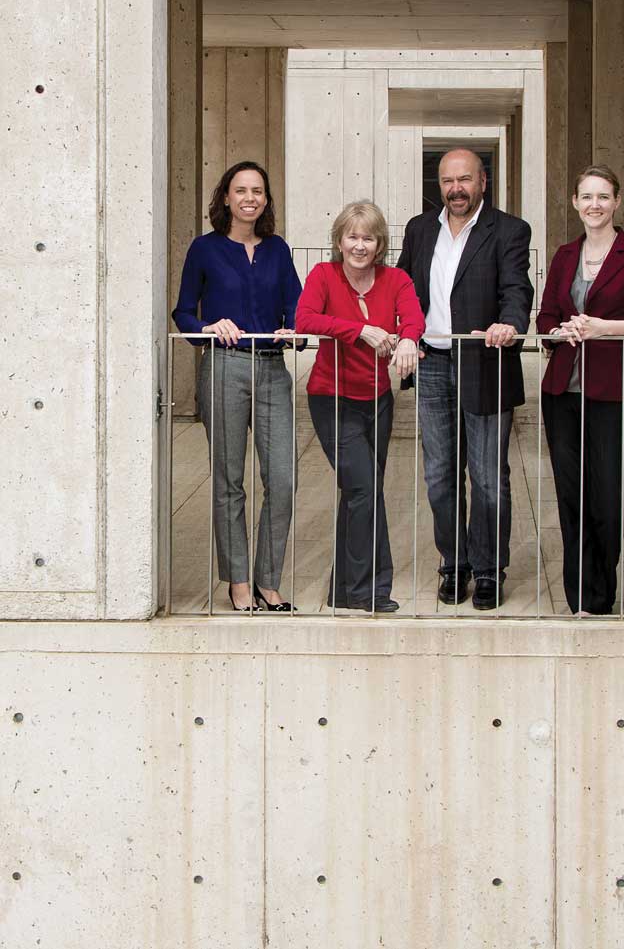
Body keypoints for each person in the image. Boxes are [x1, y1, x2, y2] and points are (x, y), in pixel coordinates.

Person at [536, 164, 624, 616]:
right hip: (562, 392)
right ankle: (581, 599)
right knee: (571, 495)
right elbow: (544, 321)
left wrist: (604, 328)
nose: (594, 205)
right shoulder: (563, 255)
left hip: (611, 392)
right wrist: (562, 330)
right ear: (575, 203)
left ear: (616, 202)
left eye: (603, 197)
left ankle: (602, 591)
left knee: (609, 499)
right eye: (586, 197)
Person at [397, 149, 534, 609]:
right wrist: (401, 334)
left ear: (483, 181)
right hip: (432, 362)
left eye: (465, 180)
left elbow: (517, 288)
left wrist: (510, 323)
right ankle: (454, 565)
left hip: (485, 361)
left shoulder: (509, 230)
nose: (456, 189)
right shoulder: (420, 229)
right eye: (447, 181)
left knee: (489, 477)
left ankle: (489, 570)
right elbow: (403, 288)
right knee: (439, 475)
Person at [173, 160, 302, 613]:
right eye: (241, 189)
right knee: (229, 482)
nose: (250, 198)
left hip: (271, 368)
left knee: (283, 479)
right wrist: (209, 326)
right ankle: (240, 582)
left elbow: (298, 309)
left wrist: (294, 331)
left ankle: (270, 578)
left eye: (258, 191)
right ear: (225, 197)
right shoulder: (204, 249)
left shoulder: (278, 249)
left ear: (266, 200)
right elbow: (184, 313)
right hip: (223, 368)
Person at [296, 200, 425, 613]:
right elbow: (305, 319)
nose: (359, 245)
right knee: (364, 489)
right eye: (352, 236)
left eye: (368, 237)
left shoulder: (397, 279)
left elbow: (414, 318)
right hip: (331, 398)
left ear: (380, 243)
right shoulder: (324, 275)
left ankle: (342, 588)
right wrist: (361, 331)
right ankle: (368, 591)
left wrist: (407, 339)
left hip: (378, 400)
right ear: (338, 241)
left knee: (360, 493)